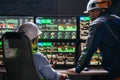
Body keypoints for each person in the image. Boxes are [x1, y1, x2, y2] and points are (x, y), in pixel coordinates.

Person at [67, 0, 120, 80]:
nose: (89, 16)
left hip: (116, 68)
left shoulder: (97, 24)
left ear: (95, 11)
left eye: (89, 13)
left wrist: (78, 68)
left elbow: (89, 49)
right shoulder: (117, 19)